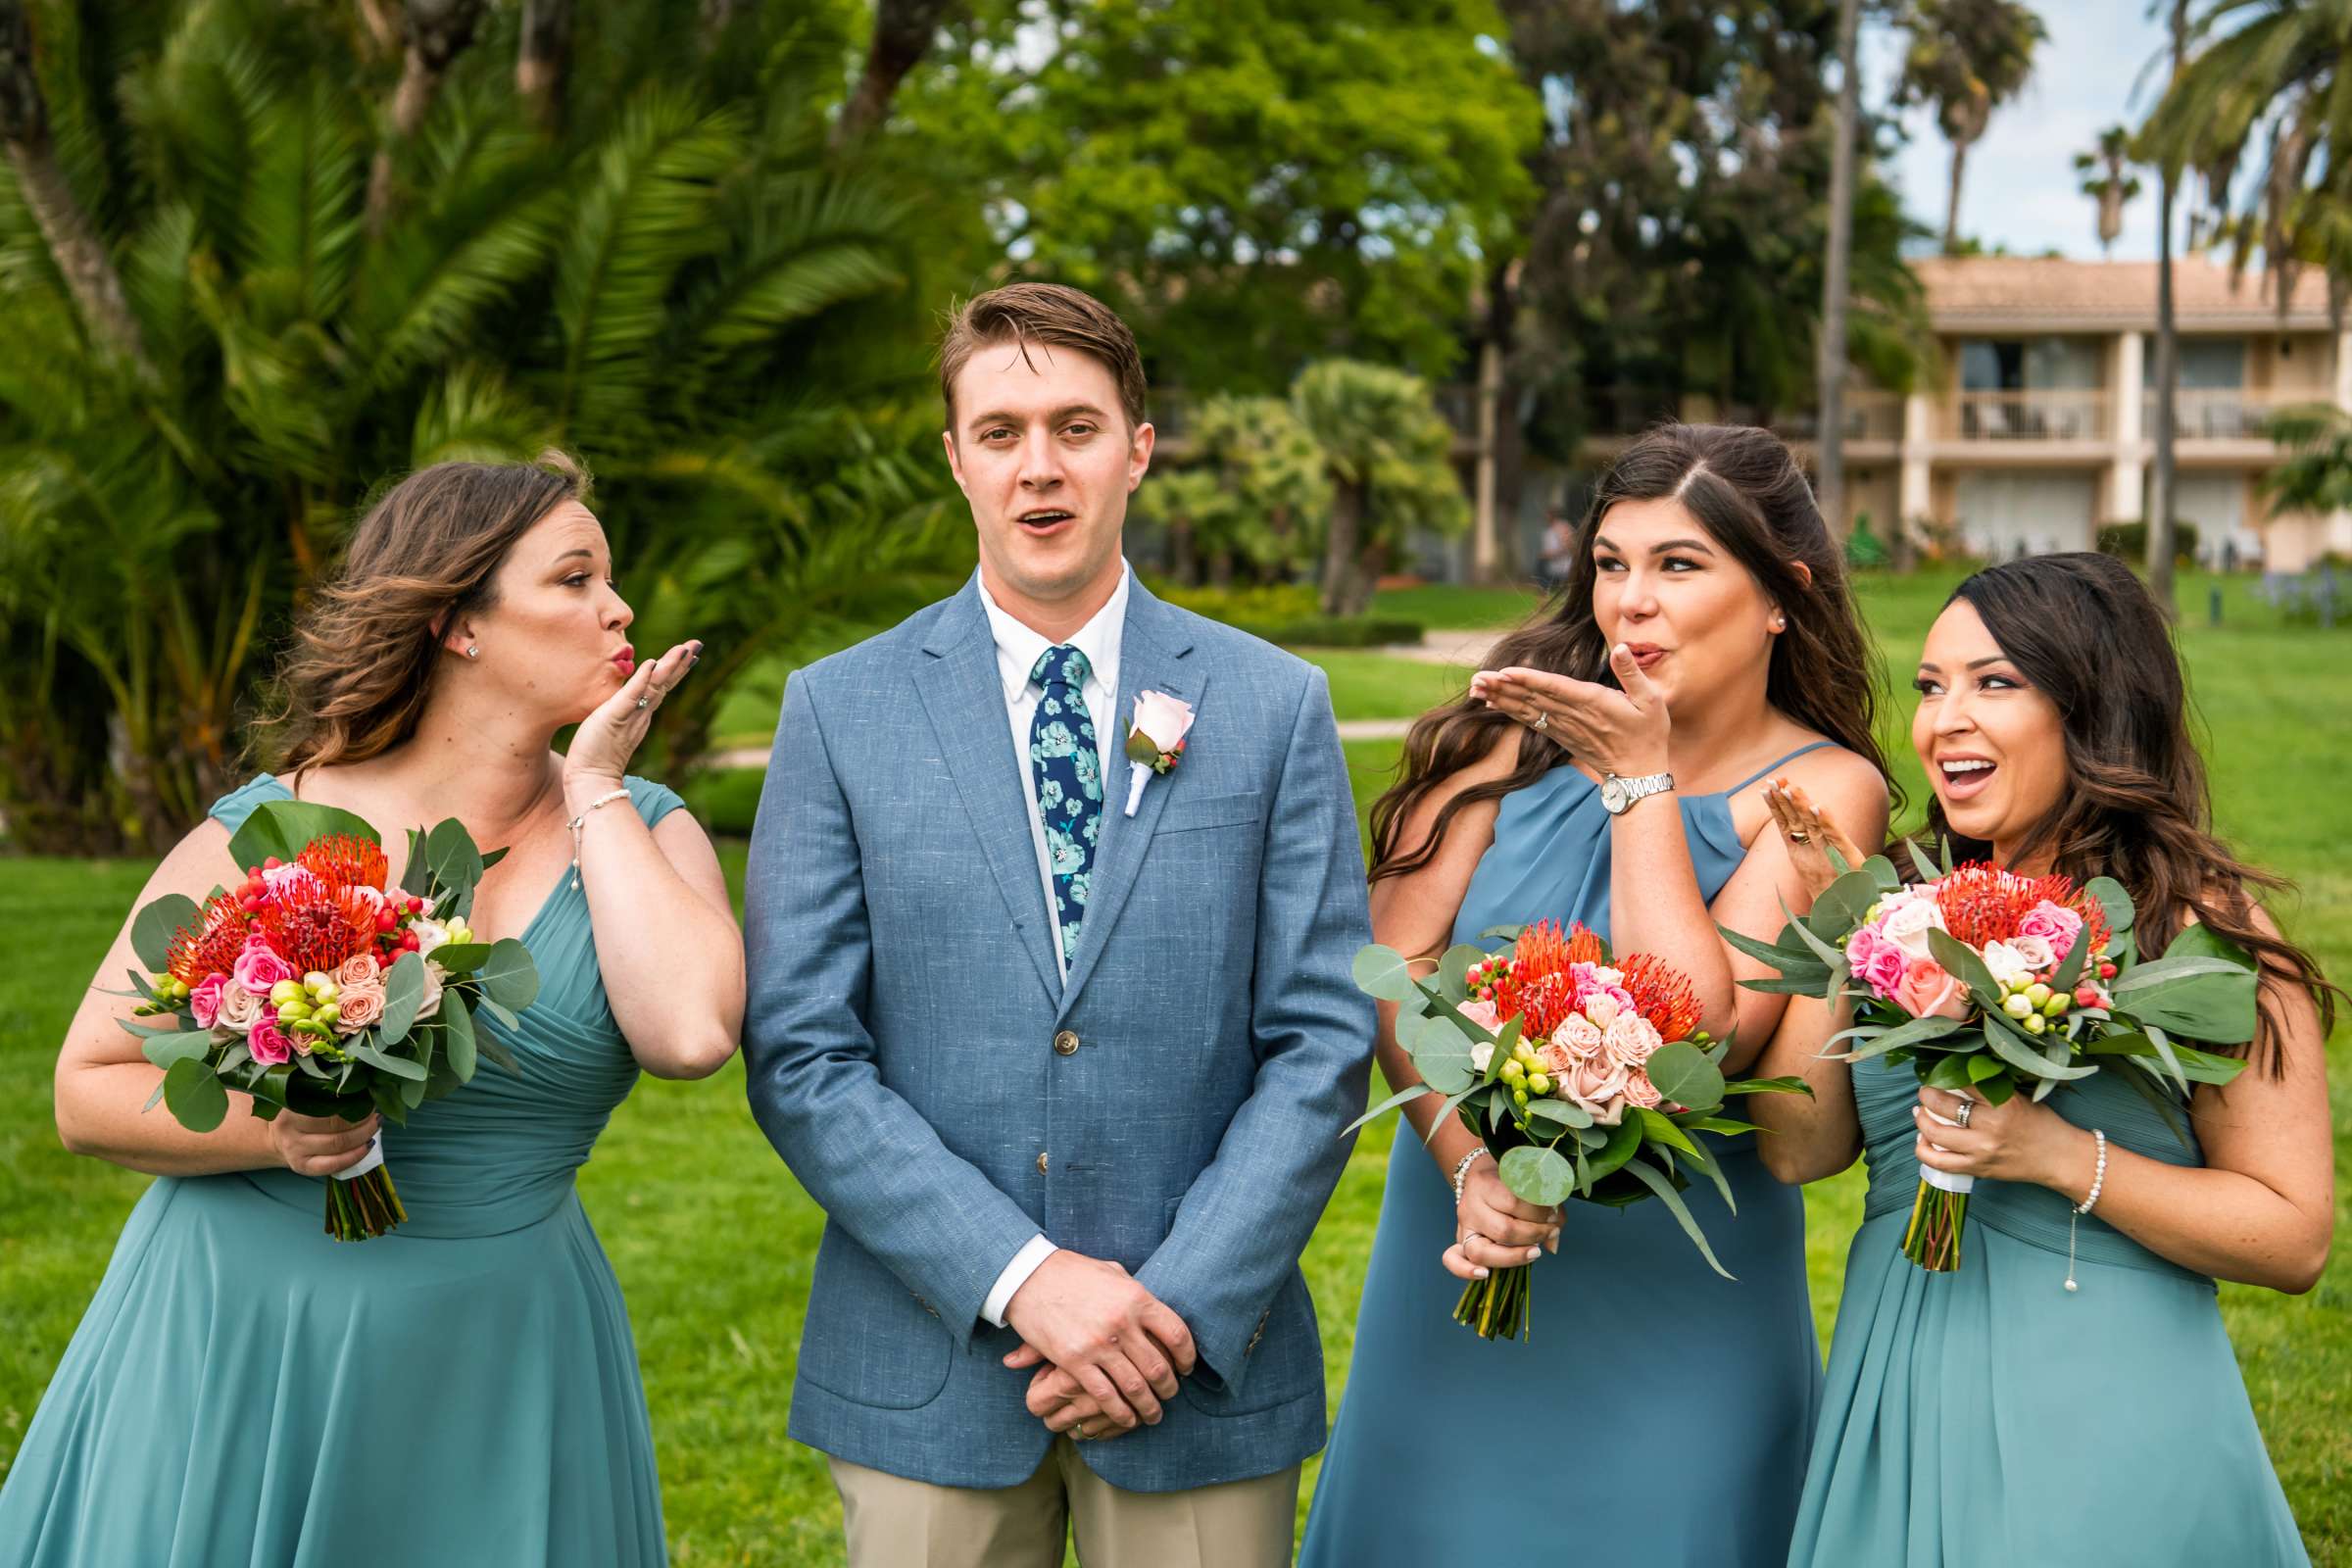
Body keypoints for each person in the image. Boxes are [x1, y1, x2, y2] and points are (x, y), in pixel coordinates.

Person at [0, 454, 744, 1565]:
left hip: (498, 1342)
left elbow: (690, 1035)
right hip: (239, 1332)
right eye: (575, 579)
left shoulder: (647, 828)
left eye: (610, 581)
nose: (619, 607)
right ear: (460, 623)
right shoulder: (276, 823)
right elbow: (85, 1090)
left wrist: (594, 790)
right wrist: (282, 1126)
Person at [741, 282, 1373, 1568]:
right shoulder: (839, 713)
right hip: (932, 1364)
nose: (1040, 467)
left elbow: (1320, 1043)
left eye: (1077, 428)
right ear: (955, 458)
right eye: (1002, 431)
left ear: (1138, 449)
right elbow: (804, 1051)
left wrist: (1175, 1311)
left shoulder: (1273, 705)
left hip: (1195, 1375)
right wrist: (1023, 1276)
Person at [1298, 423, 1892, 1568]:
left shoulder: (1825, 788)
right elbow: (1388, 968)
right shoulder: (1500, 742)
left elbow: (1698, 1031)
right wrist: (1472, 1163)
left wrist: (1640, 783)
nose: (1631, 602)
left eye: (1679, 565)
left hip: (1682, 1316)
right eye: (1611, 563)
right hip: (1460, 1260)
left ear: (1781, 595)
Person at [1751, 552, 2333, 1566]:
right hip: (1901, 1370)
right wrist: (1837, 922)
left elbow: (2292, 1237)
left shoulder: (2194, 924)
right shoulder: (1900, 898)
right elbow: (1801, 1147)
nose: (1945, 719)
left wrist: (2064, 1158)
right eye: (1933, 687)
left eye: (1994, 682)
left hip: (2106, 1393)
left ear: (2092, 704)